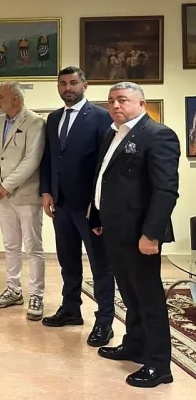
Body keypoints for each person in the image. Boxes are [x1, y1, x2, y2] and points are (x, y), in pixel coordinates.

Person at [92, 82, 179, 388]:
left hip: (140, 233)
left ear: (141, 104)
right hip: (114, 229)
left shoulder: (158, 135)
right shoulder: (112, 133)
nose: (115, 105)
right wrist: (98, 216)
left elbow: (166, 190)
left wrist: (151, 235)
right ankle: (135, 344)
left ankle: (159, 364)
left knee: (148, 297)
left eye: (123, 100)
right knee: (129, 294)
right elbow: (105, 178)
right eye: (111, 101)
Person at [39, 67, 115, 346]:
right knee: (68, 261)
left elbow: (105, 163)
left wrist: (96, 204)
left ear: (85, 85)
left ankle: (104, 321)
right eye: (62, 84)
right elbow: (49, 158)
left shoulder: (101, 117)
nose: (67, 88)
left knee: (100, 265)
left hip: (89, 206)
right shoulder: (54, 118)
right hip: (61, 204)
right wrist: (46, 191)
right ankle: (71, 309)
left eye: (73, 83)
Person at [0, 82, 46, 320]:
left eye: (0, 96)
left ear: (15, 99)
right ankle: (13, 289)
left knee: (33, 248)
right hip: (2, 196)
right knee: (10, 245)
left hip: (26, 195)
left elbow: (32, 160)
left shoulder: (35, 122)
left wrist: (6, 186)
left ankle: (37, 295)